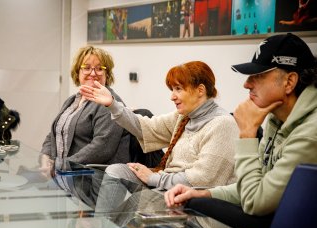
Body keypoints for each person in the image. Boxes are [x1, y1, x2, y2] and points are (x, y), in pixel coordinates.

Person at [165, 33, 317, 216]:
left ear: (289, 82)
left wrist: (247, 134)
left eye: (257, 76)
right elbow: (252, 185)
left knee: (198, 207)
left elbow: (255, 202)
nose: (246, 84)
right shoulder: (276, 119)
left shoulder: (310, 132)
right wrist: (203, 193)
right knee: (195, 201)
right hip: (273, 218)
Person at [80, 61, 238, 191]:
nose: (172, 96)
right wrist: (113, 105)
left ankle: (118, 225)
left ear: (200, 90)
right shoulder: (183, 117)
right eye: (172, 89)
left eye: (178, 89)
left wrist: (153, 178)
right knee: (115, 171)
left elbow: (203, 179)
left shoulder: (222, 124)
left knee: (135, 206)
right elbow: (145, 127)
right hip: (165, 185)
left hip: (189, 196)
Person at [40, 46, 130, 176]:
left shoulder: (110, 103)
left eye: (99, 69)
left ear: (107, 74)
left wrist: (61, 165)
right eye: (86, 68)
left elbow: (102, 147)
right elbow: (54, 133)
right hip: (64, 176)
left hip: (92, 183)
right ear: (78, 72)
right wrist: (46, 158)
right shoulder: (72, 101)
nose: (93, 73)